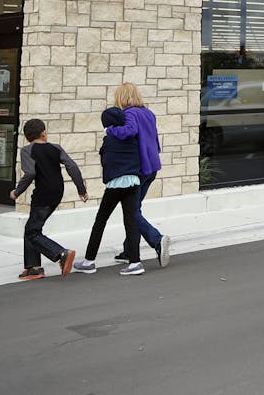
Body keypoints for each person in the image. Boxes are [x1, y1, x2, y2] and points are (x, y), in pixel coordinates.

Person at [9, 118, 88, 280]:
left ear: (27, 136)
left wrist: (17, 191)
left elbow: (30, 173)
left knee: (32, 232)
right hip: (57, 192)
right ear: (43, 133)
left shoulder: (27, 150)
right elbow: (71, 166)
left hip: (43, 194)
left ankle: (61, 253)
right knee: (32, 227)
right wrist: (81, 189)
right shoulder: (55, 148)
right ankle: (33, 268)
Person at [104, 82, 170, 268]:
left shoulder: (130, 113)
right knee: (134, 209)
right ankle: (129, 250)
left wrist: (109, 130)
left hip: (138, 168)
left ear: (121, 97)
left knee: (131, 211)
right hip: (152, 166)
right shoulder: (148, 113)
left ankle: (157, 239)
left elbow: (129, 131)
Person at [74, 106, 144, 276]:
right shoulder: (133, 137)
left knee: (100, 221)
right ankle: (135, 262)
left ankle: (89, 261)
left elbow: (106, 161)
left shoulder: (110, 140)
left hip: (115, 184)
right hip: (134, 181)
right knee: (131, 221)